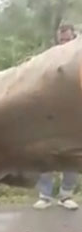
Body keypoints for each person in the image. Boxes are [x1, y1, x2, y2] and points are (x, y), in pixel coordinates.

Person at [33, 23, 80, 210]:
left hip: (74, 114)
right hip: (50, 114)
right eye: (62, 40)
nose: (65, 43)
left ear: (74, 37)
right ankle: (45, 195)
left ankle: (66, 195)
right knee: (47, 154)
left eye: (68, 39)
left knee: (72, 155)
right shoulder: (49, 58)